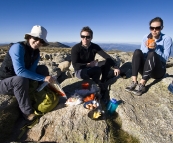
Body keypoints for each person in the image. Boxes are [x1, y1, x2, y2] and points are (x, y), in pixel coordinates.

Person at [0, 25, 56, 121]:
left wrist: (45, 78)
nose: (38, 42)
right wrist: (43, 78)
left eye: (41, 41)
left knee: (42, 69)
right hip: (5, 82)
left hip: (22, 81)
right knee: (20, 79)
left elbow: (32, 70)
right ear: (29, 37)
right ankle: (27, 112)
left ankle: (41, 93)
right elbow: (20, 71)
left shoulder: (36, 53)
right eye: (36, 38)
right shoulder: (17, 47)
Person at [125, 17, 173, 96]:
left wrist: (156, 48)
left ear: (162, 28)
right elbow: (141, 56)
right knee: (137, 51)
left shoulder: (167, 39)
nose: (154, 30)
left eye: (157, 28)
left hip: (158, 71)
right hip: (146, 69)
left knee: (152, 54)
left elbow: (165, 58)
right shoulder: (145, 37)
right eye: (152, 28)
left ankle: (142, 84)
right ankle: (134, 81)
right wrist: (147, 48)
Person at [71, 26, 120, 93]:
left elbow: (106, 56)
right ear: (80, 37)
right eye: (83, 36)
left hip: (91, 67)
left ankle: (103, 81)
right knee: (96, 69)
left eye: (88, 37)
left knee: (107, 62)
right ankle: (97, 83)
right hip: (80, 71)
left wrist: (115, 67)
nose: (85, 39)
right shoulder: (75, 48)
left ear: (91, 38)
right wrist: (88, 65)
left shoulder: (94, 47)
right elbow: (75, 65)